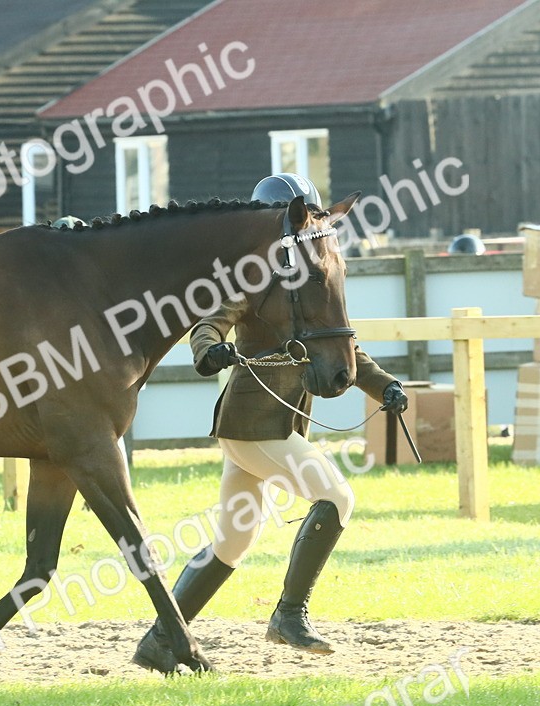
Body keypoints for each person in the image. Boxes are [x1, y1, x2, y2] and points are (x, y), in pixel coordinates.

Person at [134, 173, 408, 673]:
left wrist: (384, 385)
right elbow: (209, 323)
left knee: (232, 542)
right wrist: (210, 351)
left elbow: (343, 344)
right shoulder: (252, 277)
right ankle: (289, 615)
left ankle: (159, 642)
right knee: (337, 497)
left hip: (269, 429)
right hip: (254, 425)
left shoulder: (311, 278)